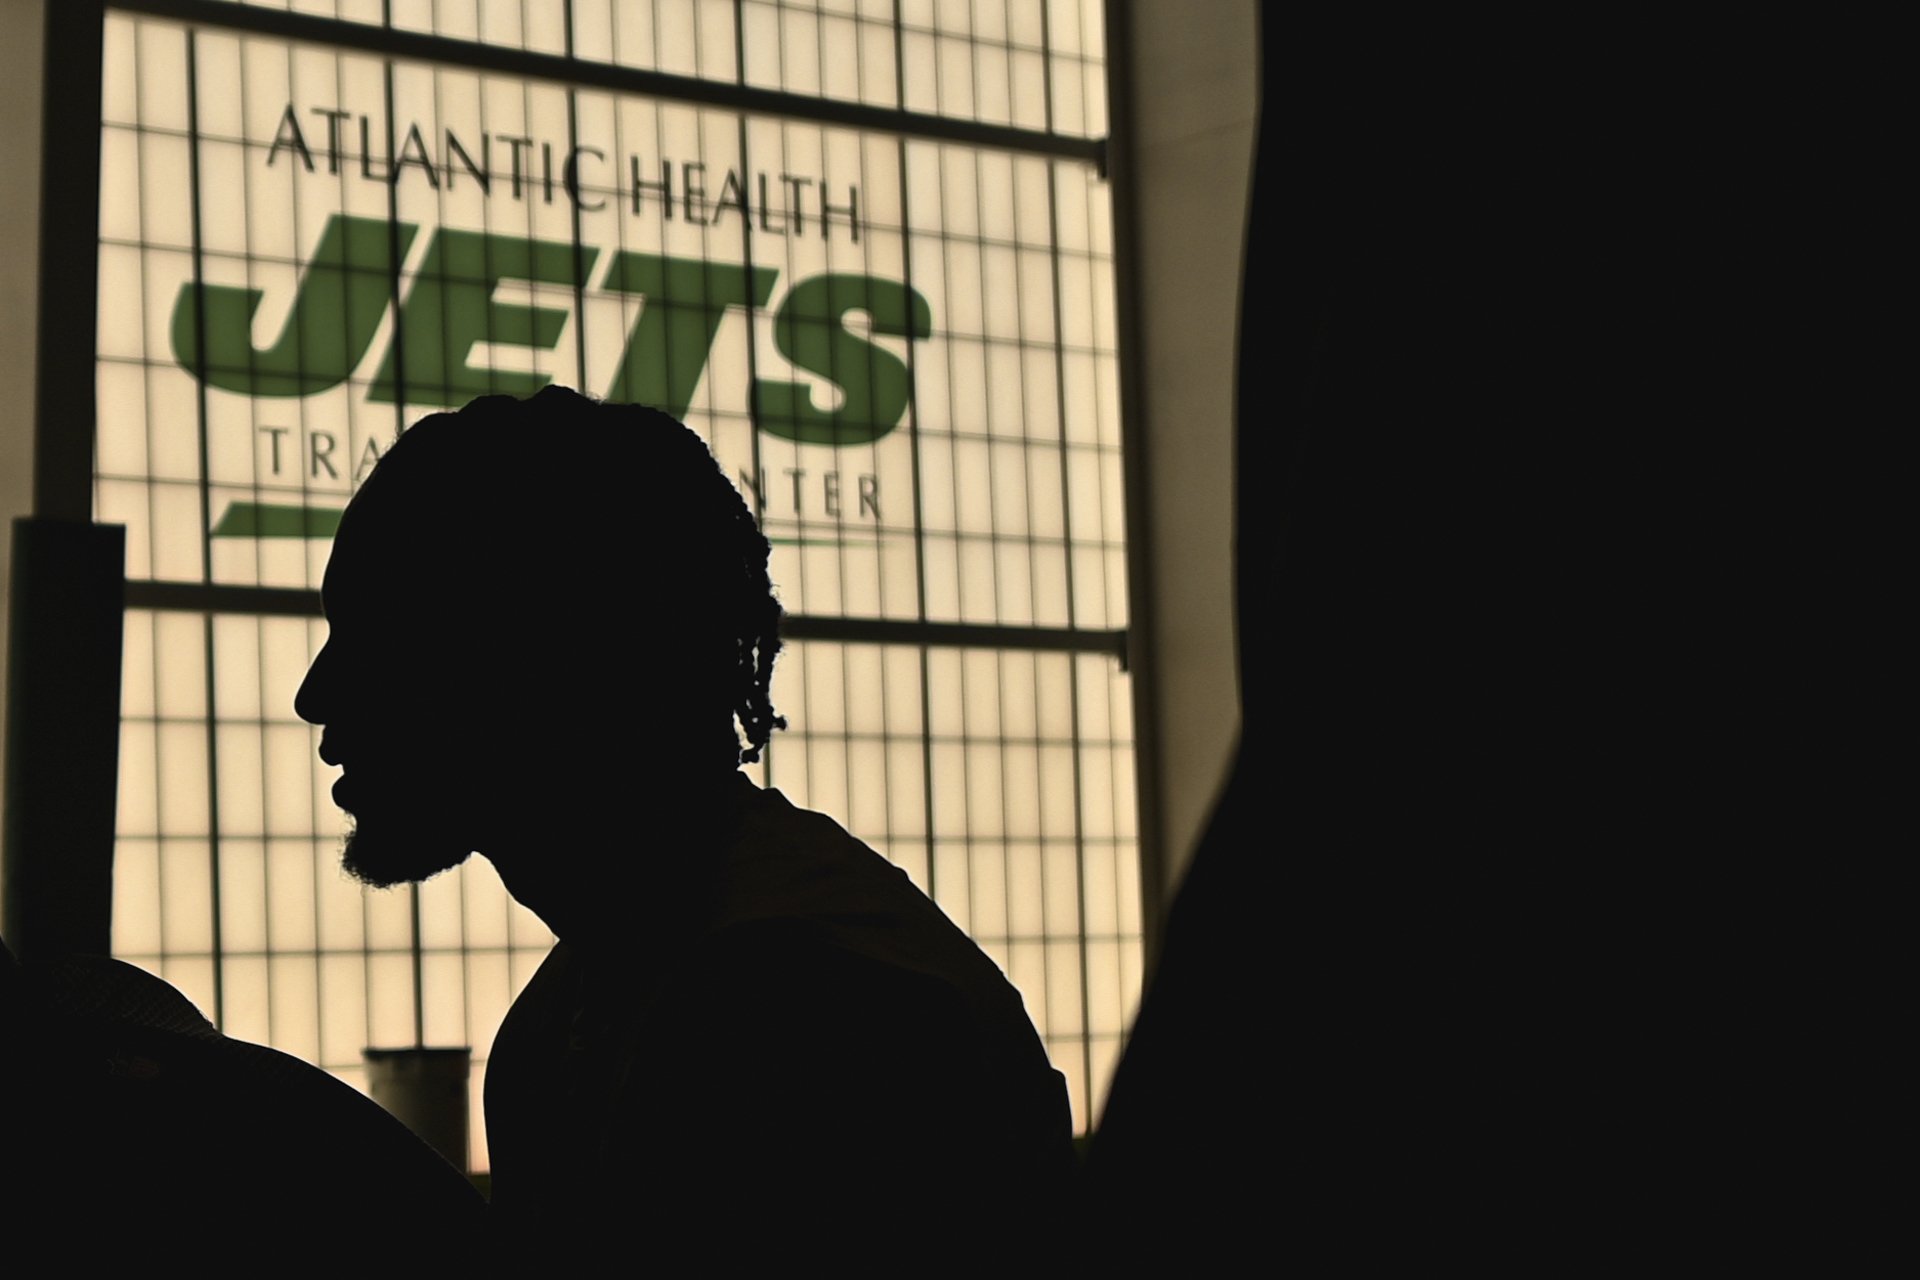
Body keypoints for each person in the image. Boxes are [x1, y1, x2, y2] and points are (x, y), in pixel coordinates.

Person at [294, 386, 1074, 1259]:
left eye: (373, 638)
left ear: (540, 651)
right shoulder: (609, 994)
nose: (315, 695)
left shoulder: (788, 1013)